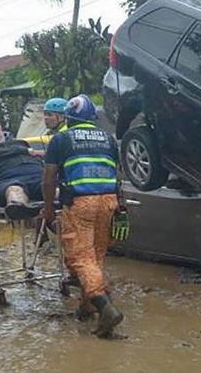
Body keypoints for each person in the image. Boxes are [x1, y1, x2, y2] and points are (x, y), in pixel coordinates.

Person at [44, 94, 123, 337]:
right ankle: (86, 308)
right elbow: (118, 176)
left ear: (69, 118)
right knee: (97, 254)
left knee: (80, 257)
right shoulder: (108, 139)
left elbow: (49, 178)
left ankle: (104, 306)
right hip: (108, 200)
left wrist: (48, 209)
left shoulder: (61, 139)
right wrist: (121, 205)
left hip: (81, 203)